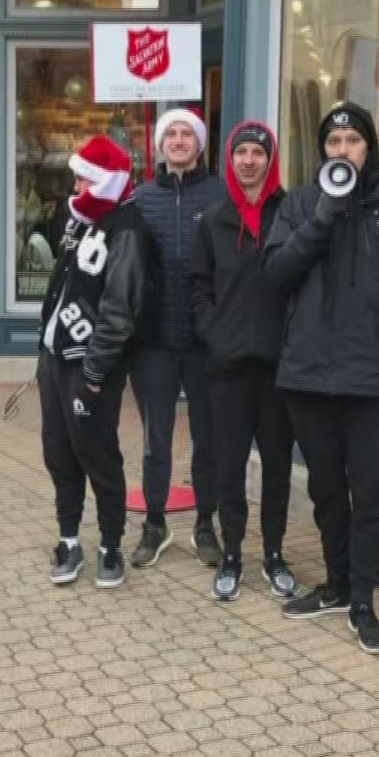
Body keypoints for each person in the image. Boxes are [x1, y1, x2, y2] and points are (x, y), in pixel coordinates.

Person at [263, 101, 379, 655]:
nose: (343, 152)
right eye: (333, 144)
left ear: (370, 147)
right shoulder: (299, 203)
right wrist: (321, 218)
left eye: (353, 142)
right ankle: (338, 582)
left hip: (378, 382)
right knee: (325, 490)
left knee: (372, 496)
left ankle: (363, 598)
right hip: (310, 377)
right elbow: (275, 274)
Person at [39, 135, 155, 591]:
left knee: (99, 457)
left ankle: (110, 546)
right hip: (54, 360)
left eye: (85, 176)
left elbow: (120, 309)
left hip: (89, 367)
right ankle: (69, 540)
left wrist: (94, 370)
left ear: (106, 180)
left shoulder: (129, 230)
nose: (76, 182)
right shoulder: (81, 220)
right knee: (59, 454)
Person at [190, 119, 299, 603]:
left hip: (280, 369)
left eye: (258, 152)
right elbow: (199, 288)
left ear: (270, 159)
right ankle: (232, 553)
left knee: (277, 466)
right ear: (229, 160)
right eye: (241, 153)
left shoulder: (291, 212)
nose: (249, 161)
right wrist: (215, 334)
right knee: (228, 465)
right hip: (228, 367)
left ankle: (274, 553)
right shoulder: (214, 219)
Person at [126, 106, 225, 571]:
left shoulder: (221, 195)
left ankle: (206, 523)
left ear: (199, 144)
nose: (180, 140)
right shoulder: (141, 199)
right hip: (154, 340)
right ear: (161, 145)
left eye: (188, 133)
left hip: (207, 342)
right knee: (155, 440)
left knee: (209, 438)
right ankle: (154, 523)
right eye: (172, 133)